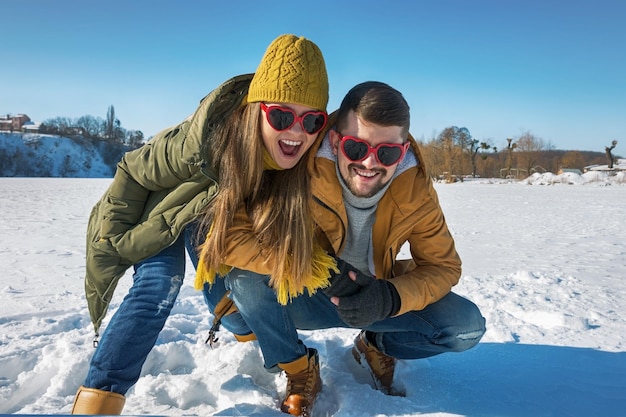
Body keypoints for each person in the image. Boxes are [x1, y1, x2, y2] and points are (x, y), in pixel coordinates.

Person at [71, 34, 333, 415]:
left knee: (229, 305)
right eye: (281, 115)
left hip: (209, 221)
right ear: (257, 109)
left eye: (312, 120)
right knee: (158, 285)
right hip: (157, 213)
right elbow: (132, 171)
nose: (296, 131)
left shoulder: (296, 161)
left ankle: (250, 331)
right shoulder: (202, 142)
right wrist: (114, 240)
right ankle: (98, 401)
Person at [225, 81, 487, 416]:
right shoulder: (298, 165)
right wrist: (314, 267)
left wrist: (390, 297)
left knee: (465, 327)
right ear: (335, 141)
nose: (369, 163)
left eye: (387, 153)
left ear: (403, 150)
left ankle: (375, 345)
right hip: (310, 293)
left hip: (376, 300)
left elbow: (444, 266)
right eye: (356, 148)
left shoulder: (414, 188)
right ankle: (299, 367)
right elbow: (234, 235)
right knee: (244, 282)